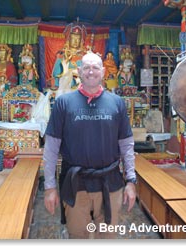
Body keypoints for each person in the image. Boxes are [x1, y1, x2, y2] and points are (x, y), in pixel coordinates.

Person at [43, 52, 137, 239]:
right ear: (79, 71)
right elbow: (51, 149)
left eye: (95, 67)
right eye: (86, 67)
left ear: (103, 72)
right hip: (76, 184)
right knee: (78, 236)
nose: (91, 72)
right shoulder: (63, 103)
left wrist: (131, 181)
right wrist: (50, 187)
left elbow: (126, 145)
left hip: (110, 183)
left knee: (108, 237)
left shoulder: (116, 103)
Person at [51, 24, 87, 90]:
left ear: (81, 41)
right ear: (69, 39)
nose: (76, 41)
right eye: (73, 38)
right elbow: (56, 73)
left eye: (78, 39)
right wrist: (66, 62)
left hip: (78, 85)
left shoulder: (84, 57)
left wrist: (76, 68)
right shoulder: (62, 55)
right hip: (63, 85)